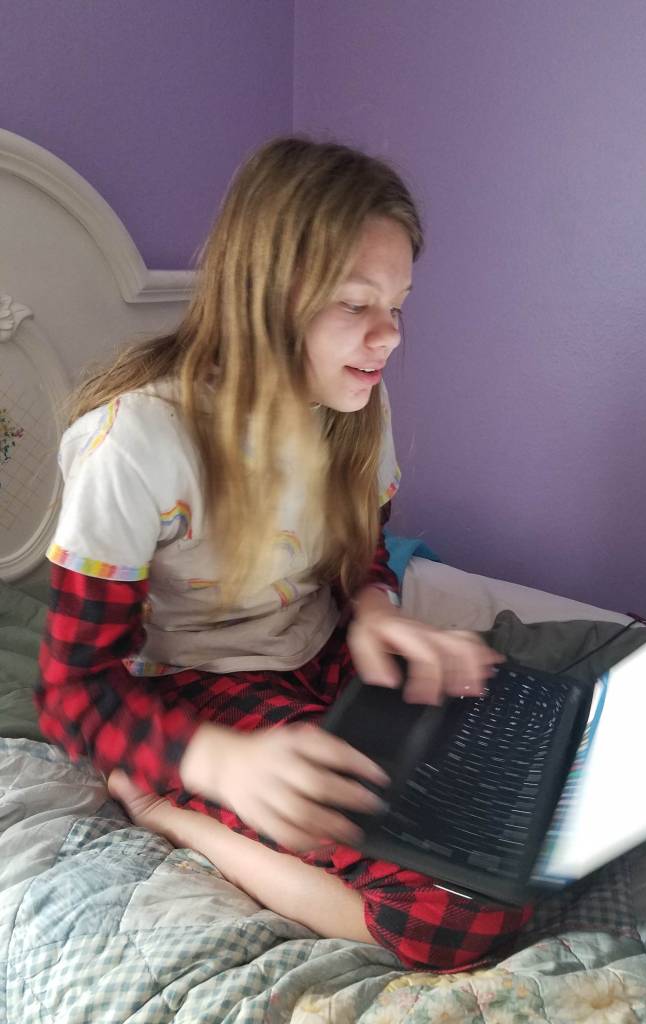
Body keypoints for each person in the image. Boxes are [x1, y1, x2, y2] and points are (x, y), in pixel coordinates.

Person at [35, 136, 532, 972]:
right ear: (263, 296)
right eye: (356, 303)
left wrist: (374, 610)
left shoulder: (354, 405)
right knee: (461, 912)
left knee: (512, 785)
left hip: (322, 655)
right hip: (195, 691)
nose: (389, 337)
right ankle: (164, 811)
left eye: (399, 305)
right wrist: (218, 763)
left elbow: (361, 553)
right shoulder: (136, 445)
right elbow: (70, 691)